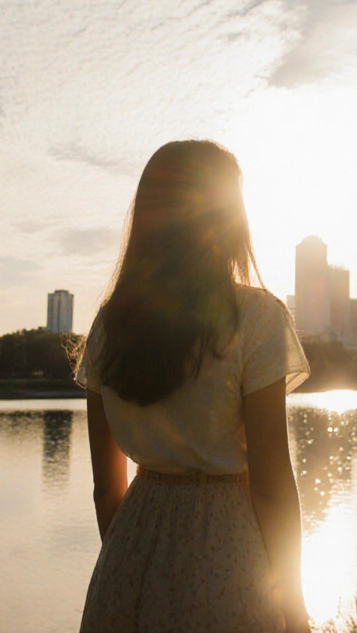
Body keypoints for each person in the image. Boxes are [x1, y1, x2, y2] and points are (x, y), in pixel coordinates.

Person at [74, 140, 311, 633]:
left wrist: (130, 561)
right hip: (229, 554)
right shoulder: (258, 318)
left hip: (127, 553)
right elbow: (271, 486)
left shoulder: (107, 327)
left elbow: (105, 490)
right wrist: (293, 603)